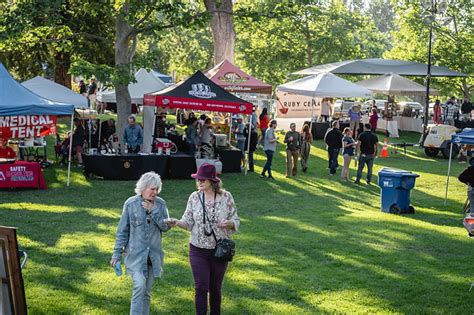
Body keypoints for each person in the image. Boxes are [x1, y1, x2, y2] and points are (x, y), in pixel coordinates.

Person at [166, 163, 240, 315]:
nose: (199, 181)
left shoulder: (226, 197)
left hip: (219, 250)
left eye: (202, 179)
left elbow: (236, 218)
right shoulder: (194, 197)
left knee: (215, 288)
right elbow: (187, 222)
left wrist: (230, 223)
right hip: (197, 250)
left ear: (212, 180)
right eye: (198, 178)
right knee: (201, 287)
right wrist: (176, 222)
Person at [111, 172, 171, 314]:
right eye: (152, 189)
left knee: (146, 292)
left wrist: (153, 211)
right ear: (143, 188)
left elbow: (166, 227)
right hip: (135, 256)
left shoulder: (161, 204)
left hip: (153, 256)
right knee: (139, 285)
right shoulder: (130, 204)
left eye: (157, 189)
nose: (155, 192)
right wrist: (116, 254)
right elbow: (122, 231)